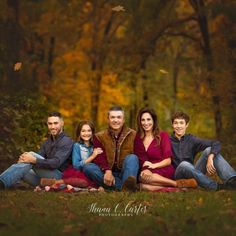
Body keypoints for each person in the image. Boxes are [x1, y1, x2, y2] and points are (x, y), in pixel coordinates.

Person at [0, 112, 73, 189]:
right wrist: (25, 159)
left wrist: (33, 159)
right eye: (50, 124)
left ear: (62, 124)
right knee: (26, 165)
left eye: (55, 123)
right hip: (44, 179)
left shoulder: (67, 141)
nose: (53, 126)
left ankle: (2, 182)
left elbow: (56, 163)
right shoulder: (47, 142)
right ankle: (8, 183)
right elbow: (38, 159)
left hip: (60, 180)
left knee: (31, 155)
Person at [134, 107, 197, 191]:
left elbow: (168, 161)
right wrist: (147, 170)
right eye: (143, 120)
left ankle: (176, 184)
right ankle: (177, 186)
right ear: (140, 121)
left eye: (149, 119)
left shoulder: (163, 135)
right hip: (146, 170)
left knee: (145, 184)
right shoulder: (138, 138)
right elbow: (142, 161)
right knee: (143, 181)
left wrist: (153, 166)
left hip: (163, 168)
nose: (146, 123)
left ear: (153, 120)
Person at [170, 111, 236, 191]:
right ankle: (215, 187)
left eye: (181, 123)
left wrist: (211, 157)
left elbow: (215, 143)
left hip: (192, 174)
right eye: (176, 123)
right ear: (172, 125)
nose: (178, 126)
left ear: (186, 125)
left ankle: (232, 180)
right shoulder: (167, 141)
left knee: (209, 150)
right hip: (177, 176)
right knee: (184, 164)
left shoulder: (191, 139)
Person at [82, 106, 139, 191]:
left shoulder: (134, 135)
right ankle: (126, 188)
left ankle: (115, 187)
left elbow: (140, 156)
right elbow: (99, 157)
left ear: (123, 120)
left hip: (126, 173)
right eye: (112, 117)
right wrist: (107, 170)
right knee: (88, 167)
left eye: (119, 117)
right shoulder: (99, 136)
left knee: (132, 158)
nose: (115, 120)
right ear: (108, 119)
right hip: (105, 174)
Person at [40, 120, 104, 191]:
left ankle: (57, 185)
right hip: (80, 173)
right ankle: (55, 182)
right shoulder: (77, 146)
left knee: (85, 183)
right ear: (79, 133)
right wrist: (92, 156)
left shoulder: (96, 146)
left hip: (93, 175)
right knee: (82, 182)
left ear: (92, 132)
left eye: (89, 131)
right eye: (83, 131)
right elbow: (76, 165)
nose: (86, 133)